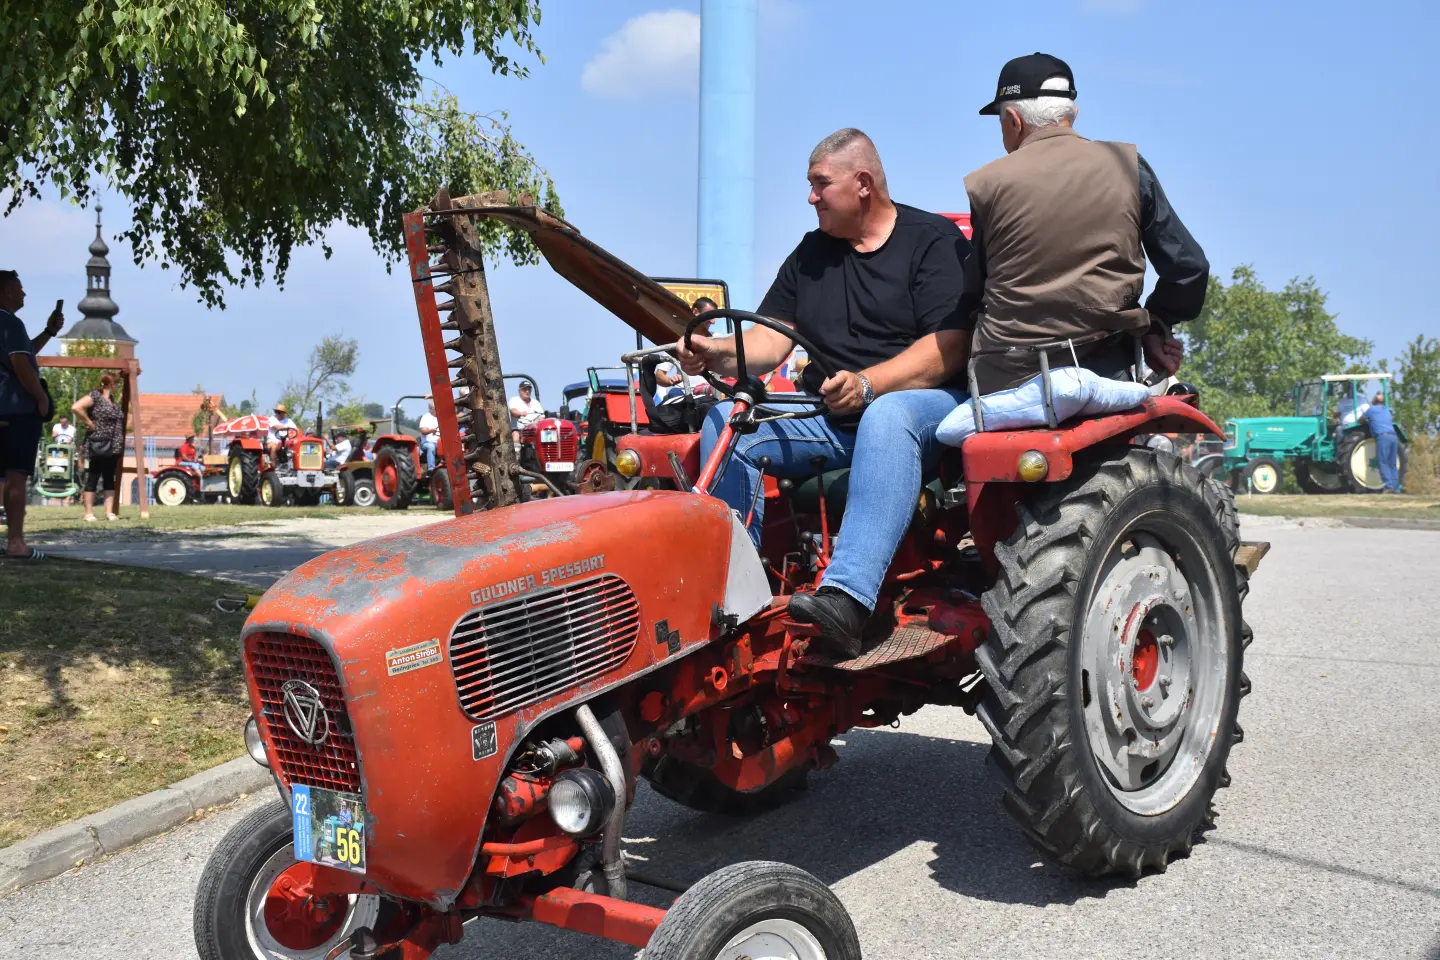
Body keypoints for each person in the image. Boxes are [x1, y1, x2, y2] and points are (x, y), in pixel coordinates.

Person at [676, 128, 973, 657]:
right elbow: (769, 339)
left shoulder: (932, 243)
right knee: (728, 420)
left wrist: (869, 384)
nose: (810, 197)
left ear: (862, 184)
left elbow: (950, 346)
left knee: (889, 414)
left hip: (925, 411)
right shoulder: (812, 252)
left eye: (820, 184)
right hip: (829, 418)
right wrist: (714, 350)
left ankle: (848, 599)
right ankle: (730, 596)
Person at [959, 53, 1209, 396]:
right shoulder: (1128, 167)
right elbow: (1188, 267)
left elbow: (975, 292)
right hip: (1109, 373)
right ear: (1071, 115)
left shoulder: (988, 184)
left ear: (1014, 121)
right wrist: (1156, 323)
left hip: (1007, 381)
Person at [0, 270, 57, 558]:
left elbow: (25, 352)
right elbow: (21, 362)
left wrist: (49, 332)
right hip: (17, 411)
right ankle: (16, 542)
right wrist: (40, 396)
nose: (24, 294)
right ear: (7, 289)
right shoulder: (10, 322)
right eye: (20, 289)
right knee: (16, 475)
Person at [72, 373, 125, 522]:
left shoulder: (112, 401)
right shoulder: (95, 396)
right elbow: (76, 407)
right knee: (93, 476)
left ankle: (109, 512)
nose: (118, 386)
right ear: (110, 384)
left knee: (109, 478)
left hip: (113, 444)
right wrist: (89, 423)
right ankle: (88, 513)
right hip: (98, 442)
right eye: (117, 384)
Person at [1362, 392, 1402, 493]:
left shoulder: (1371, 410)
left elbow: (1361, 419)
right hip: (1393, 436)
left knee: (1383, 462)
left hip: (1383, 437)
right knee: (1392, 464)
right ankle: (1396, 488)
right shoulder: (1387, 410)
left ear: (1373, 401)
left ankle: (1388, 486)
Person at [508, 380, 544, 447]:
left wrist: (538, 421)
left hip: (533, 430)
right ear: (520, 390)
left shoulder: (536, 403)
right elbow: (513, 411)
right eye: (524, 389)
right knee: (515, 435)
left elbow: (542, 417)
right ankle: (517, 454)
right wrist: (520, 413)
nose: (527, 391)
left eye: (529, 390)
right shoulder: (514, 400)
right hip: (519, 429)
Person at [418, 399, 440, 472]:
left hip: (440, 442)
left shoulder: (440, 417)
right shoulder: (426, 417)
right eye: (436, 408)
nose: (438, 409)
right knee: (431, 447)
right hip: (427, 442)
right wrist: (431, 430)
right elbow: (423, 430)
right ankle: (431, 469)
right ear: (431, 409)